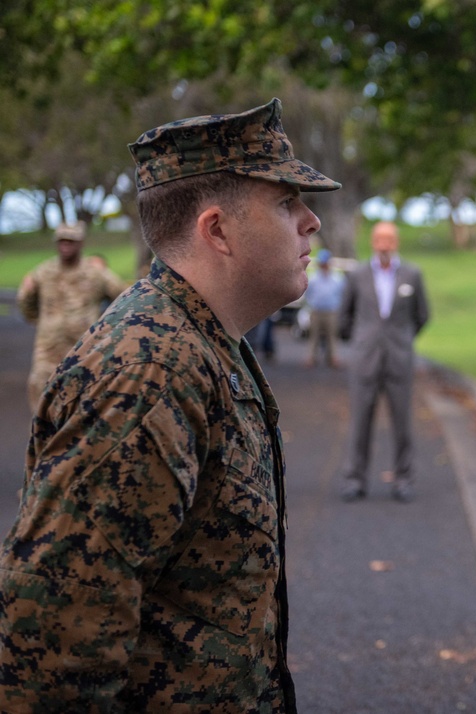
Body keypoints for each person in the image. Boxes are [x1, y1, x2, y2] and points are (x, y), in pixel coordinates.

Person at [0, 97, 340, 712]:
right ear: (217, 231)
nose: (311, 221)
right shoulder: (148, 371)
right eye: (286, 202)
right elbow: (53, 645)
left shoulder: (203, 340)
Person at [338, 221, 430, 503]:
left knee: (402, 422)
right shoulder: (357, 274)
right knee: (360, 421)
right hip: (365, 359)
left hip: (399, 359)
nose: (384, 244)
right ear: (373, 242)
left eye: (389, 239)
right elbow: (345, 316)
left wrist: (401, 340)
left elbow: (422, 316)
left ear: (397, 242)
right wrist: (360, 342)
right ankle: (355, 479)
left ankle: (403, 479)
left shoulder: (412, 274)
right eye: (380, 239)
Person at [15, 222, 127, 408]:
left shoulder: (95, 274)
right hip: (48, 353)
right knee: (42, 408)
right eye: (62, 241)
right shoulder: (43, 272)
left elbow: (123, 298)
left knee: (84, 410)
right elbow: (26, 301)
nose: (65, 245)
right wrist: (42, 321)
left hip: (85, 354)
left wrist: (109, 329)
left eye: (71, 241)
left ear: (80, 243)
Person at [303, 248, 345, 368]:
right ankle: (311, 357)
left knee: (332, 336)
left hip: (331, 311)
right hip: (316, 310)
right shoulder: (313, 277)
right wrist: (311, 304)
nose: (324, 265)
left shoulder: (337, 278)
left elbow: (342, 293)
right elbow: (308, 293)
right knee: (313, 336)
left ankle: (333, 358)